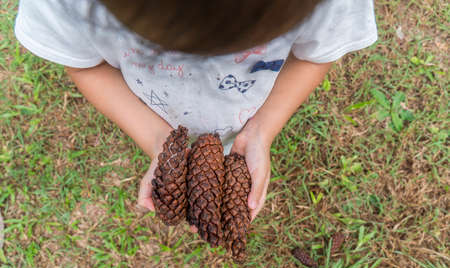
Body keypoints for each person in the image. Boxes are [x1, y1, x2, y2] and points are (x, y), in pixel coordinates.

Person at [14, 0, 377, 221]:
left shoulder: (328, 5)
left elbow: (314, 57)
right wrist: (158, 139)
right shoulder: (64, 5)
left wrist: (262, 129)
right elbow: (86, 66)